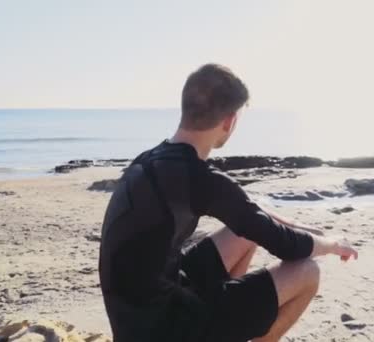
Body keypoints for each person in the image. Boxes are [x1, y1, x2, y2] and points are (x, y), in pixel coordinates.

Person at [98, 63, 358, 342]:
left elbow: (251, 217)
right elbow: (287, 246)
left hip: (138, 312)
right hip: (162, 327)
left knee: (243, 234)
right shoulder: (198, 177)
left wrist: (301, 227)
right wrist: (332, 244)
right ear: (229, 121)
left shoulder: (152, 159)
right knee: (307, 271)